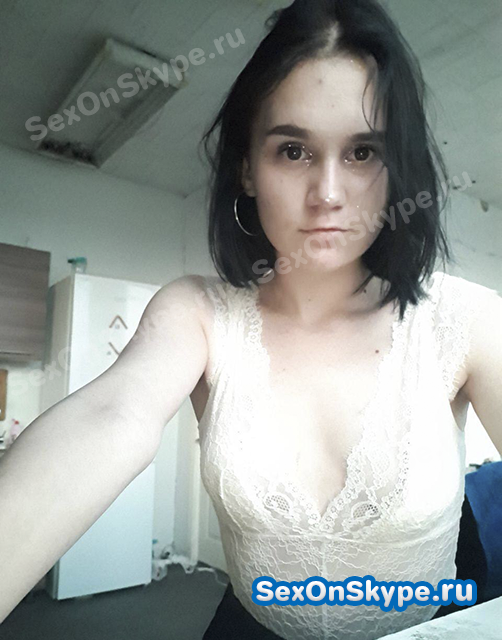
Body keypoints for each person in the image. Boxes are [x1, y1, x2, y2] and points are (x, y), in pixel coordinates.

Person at [0, 0, 500, 638]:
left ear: (397, 167)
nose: (328, 193)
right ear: (246, 168)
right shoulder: (199, 314)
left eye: (362, 152)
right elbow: (113, 413)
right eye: (293, 150)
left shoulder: (465, 319)